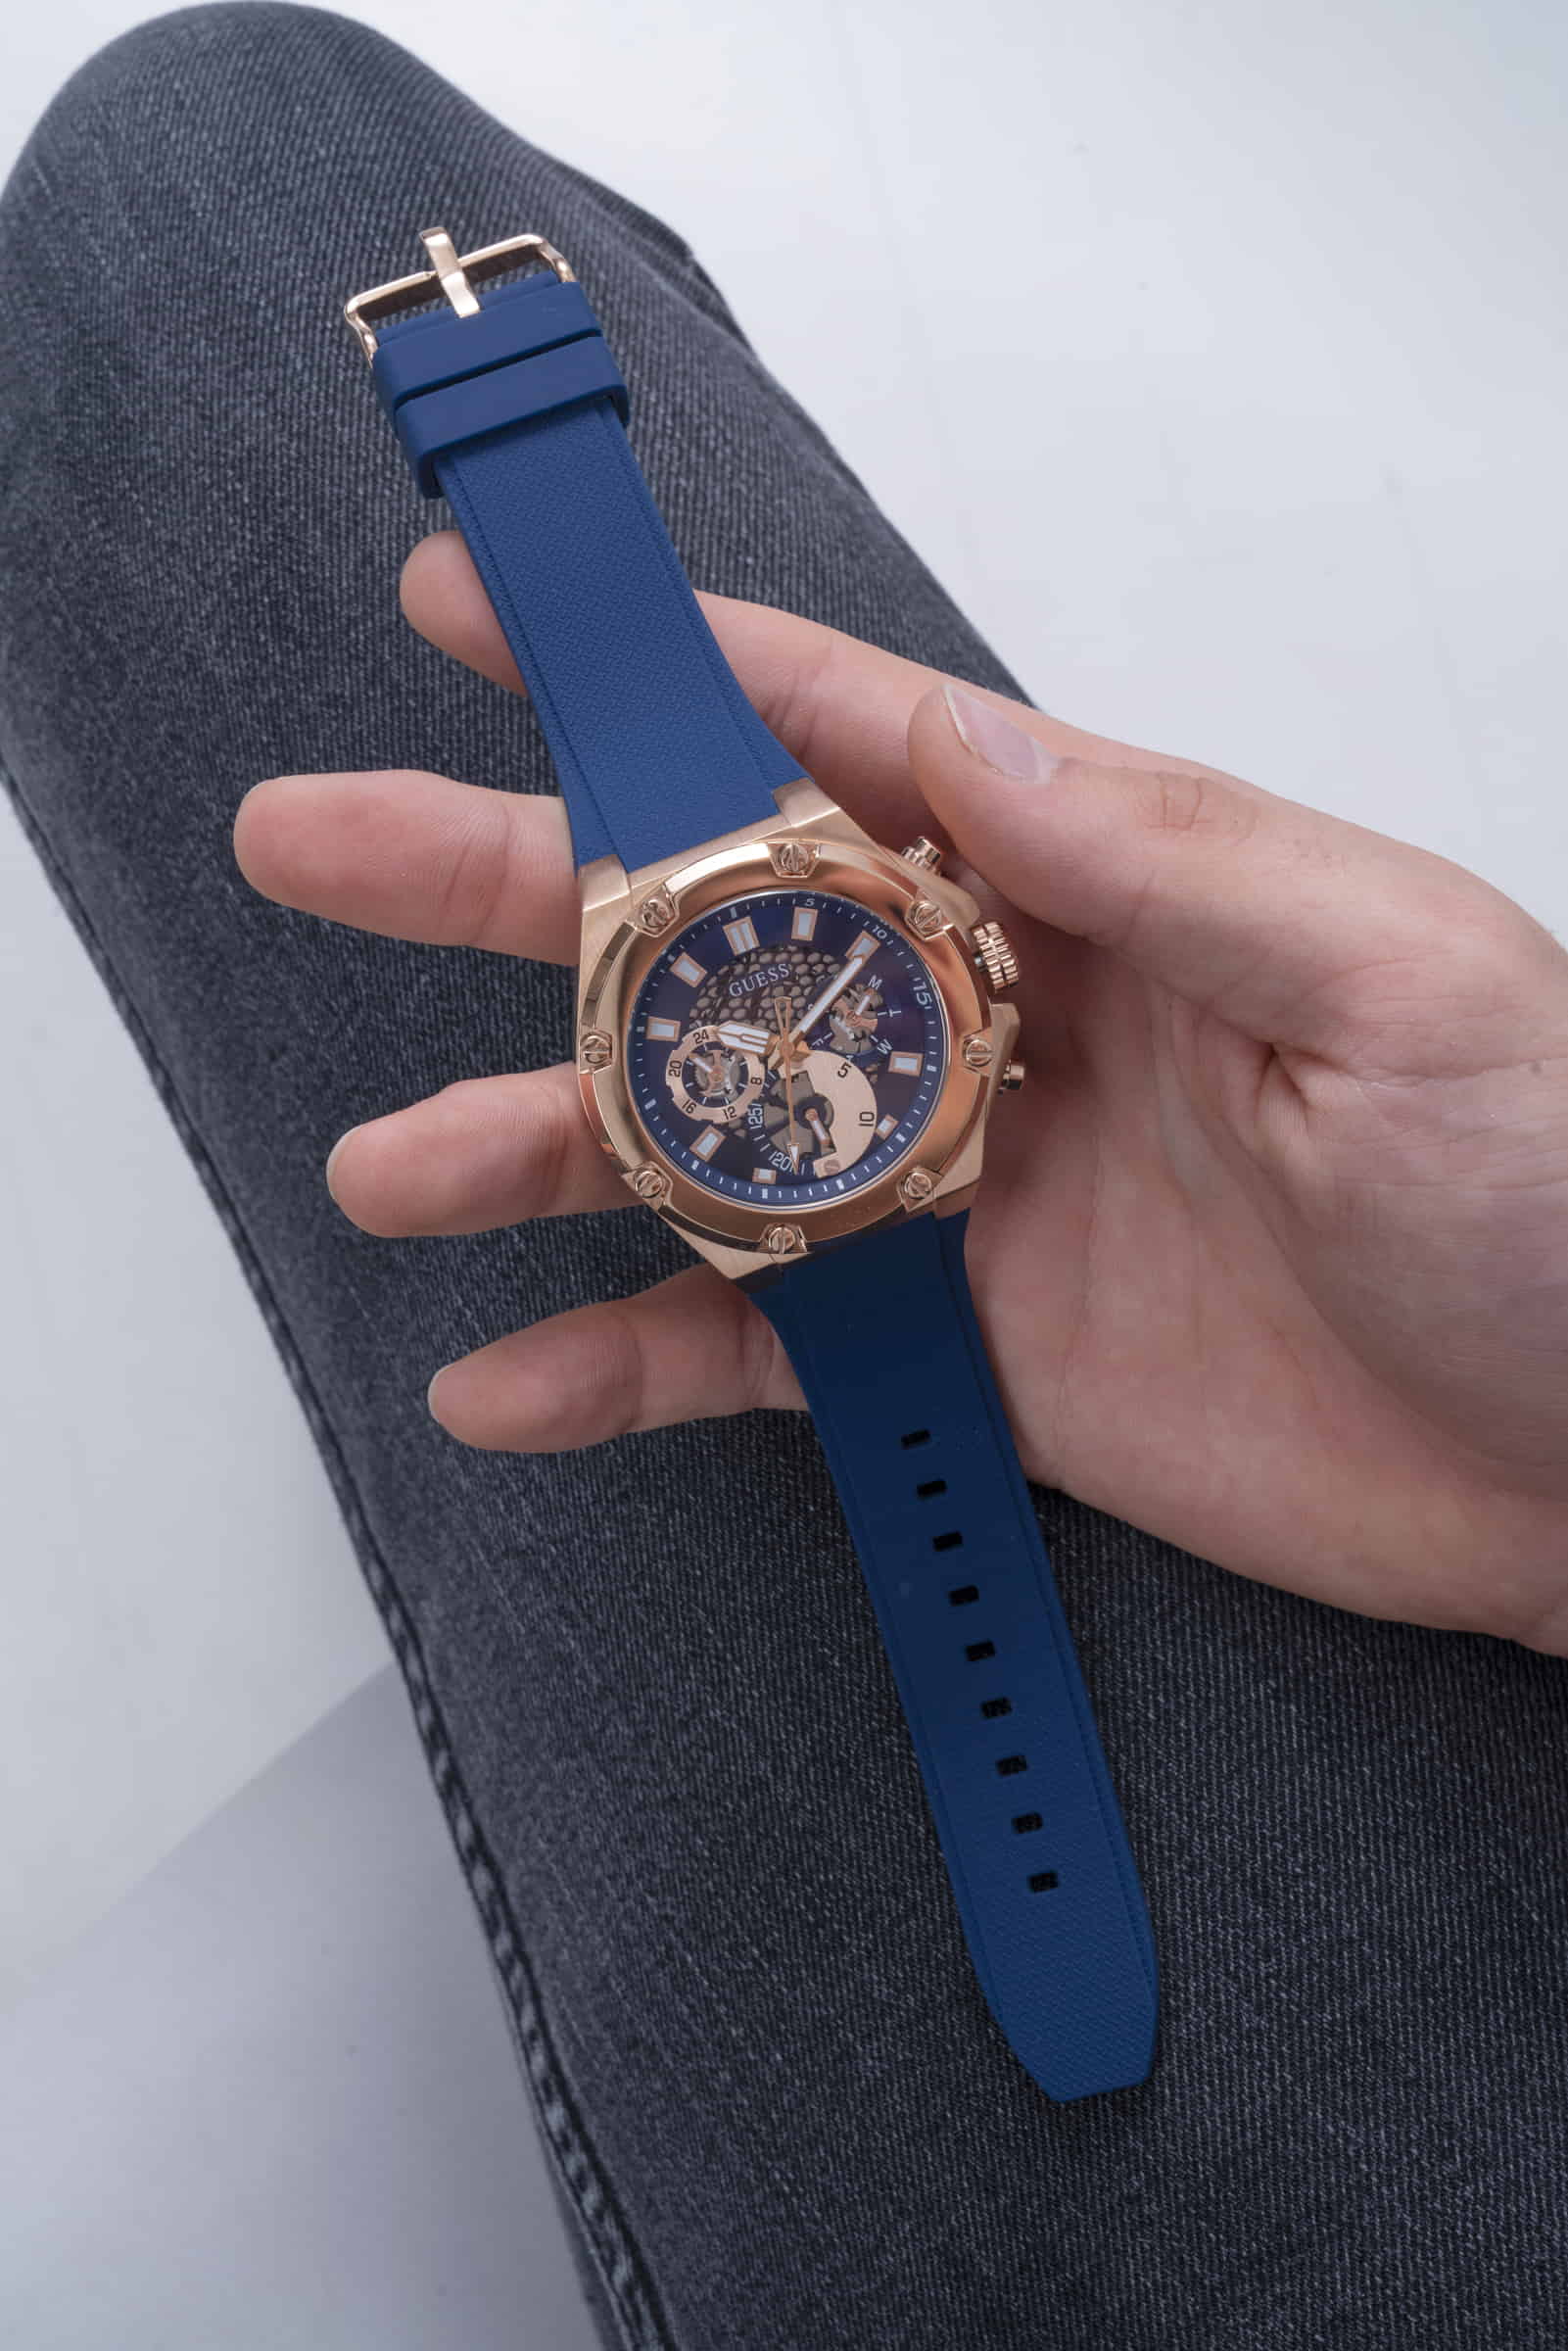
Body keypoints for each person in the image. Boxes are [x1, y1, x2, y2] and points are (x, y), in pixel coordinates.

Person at [3, 8, 1565, 2346]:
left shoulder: (853, 1014)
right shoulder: (845, 1008)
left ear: (959, 976)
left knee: (202, 157)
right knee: (223, 144)